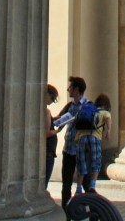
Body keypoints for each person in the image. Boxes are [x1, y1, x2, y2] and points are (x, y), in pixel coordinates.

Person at [55, 76, 90, 209]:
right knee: (66, 184)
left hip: (82, 151)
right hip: (68, 150)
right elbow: (58, 121)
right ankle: (66, 212)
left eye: (70, 87)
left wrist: (78, 121)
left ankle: (93, 210)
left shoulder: (88, 106)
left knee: (86, 184)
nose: (67, 89)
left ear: (76, 89)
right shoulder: (69, 106)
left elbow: (92, 126)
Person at [73, 94, 112, 195]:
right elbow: (107, 119)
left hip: (81, 138)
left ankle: (78, 188)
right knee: (96, 161)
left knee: (82, 163)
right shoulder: (104, 112)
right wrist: (108, 131)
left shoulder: (88, 110)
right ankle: (92, 186)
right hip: (94, 137)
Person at [45, 84, 59, 186]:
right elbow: (47, 133)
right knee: (44, 181)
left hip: (47, 151)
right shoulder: (46, 112)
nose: (52, 101)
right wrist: (57, 131)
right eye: (52, 97)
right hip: (48, 152)